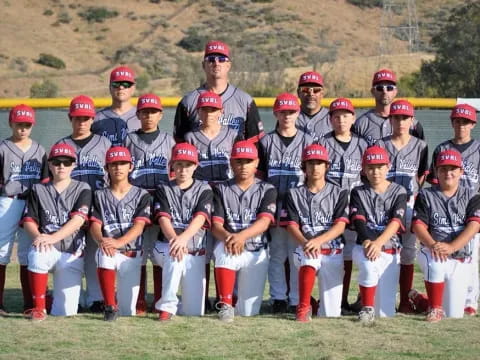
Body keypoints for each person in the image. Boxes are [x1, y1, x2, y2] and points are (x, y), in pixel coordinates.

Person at [258, 93, 314, 313]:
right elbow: (260, 176)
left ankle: (295, 299)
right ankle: (278, 297)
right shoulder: (266, 141)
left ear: (298, 113)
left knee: (296, 255)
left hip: (299, 208)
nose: (287, 116)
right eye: (283, 112)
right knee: (277, 253)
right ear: (276, 113)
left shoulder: (309, 141)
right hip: (273, 204)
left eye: (291, 112)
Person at [23, 144, 91, 321]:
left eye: (67, 162)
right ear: (50, 165)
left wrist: (52, 238)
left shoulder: (83, 188)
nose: (61, 166)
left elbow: (79, 220)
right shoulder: (38, 189)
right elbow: (29, 220)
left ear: (73, 165)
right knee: (37, 253)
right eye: (57, 162)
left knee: (66, 310)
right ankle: (38, 308)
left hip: (72, 252)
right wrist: (39, 238)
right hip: (47, 248)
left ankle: (50, 297)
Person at [56, 95, 111, 313]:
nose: (82, 122)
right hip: (69, 207)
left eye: (86, 118)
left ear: (93, 118)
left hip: (98, 204)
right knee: (73, 253)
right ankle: (75, 297)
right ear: (71, 118)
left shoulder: (104, 144)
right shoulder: (62, 145)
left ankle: (97, 297)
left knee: (95, 252)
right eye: (78, 118)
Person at [184, 91, 238, 311]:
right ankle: (203, 297)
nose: (209, 113)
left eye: (213, 109)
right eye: (204, 109)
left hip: (226, 198)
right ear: (198, 111)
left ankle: (225, 296)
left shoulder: (233, 135)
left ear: (221, 111)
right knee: (201, 250)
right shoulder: (190, 137)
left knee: (225, 248)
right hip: (198, 198)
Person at [212, 140, 277, 322]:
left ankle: (237, 303)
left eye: (248, 161)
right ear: (231, 163)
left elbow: (264, 222)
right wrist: (229, 239)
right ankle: (225, 304)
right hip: (231, 246)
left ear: (256, 163)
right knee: (223, 252)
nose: (243, 166)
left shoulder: (267, 188)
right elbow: (216, 226)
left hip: (256, 250)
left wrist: (240, 237)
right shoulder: (221, 188)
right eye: (238, 161)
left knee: (248, 312)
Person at [425, 103, 480, 316]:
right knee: (444, 257)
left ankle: (470, 301)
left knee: (471, 255)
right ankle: (445, 298)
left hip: (470, 207)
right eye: (457, 121)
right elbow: (433, 180)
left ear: (473, 124)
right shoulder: (442, 149)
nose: (461, 125)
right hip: (446, 208)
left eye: (465, 122)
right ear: (452, 123)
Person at [412, 149, 480, 322]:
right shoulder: (426, 194)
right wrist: (432, 244)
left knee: (454, 314)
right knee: (434, 262)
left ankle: (421, 301)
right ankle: (434, 308)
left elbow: (475, 225)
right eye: (443, 169)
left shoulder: (472, 195)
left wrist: (452, 247)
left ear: (461, 172)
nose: (448, 173)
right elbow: (418, 225)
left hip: (459, 256)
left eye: (452, 169)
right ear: (437, 171)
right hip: (433, 250)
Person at [283, 144, 349, 322]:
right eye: (310, 163)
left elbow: (340, 225)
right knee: (309, 256)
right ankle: (303, 308)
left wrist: (319, 241)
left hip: (332, 251)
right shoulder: (293, 193)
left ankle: (314, 303)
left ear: (327, 166)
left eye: (319, 163)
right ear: (304, 167)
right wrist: (306, 242)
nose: (315, 167)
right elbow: (291, 225)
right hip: (304, 248)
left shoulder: (339, 192)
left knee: (331, 314)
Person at [123, 93, 175, 315]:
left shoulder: (169, 140)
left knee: (160, 251)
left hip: (162, 198)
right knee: (140, 250)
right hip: (137, 199)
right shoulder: (128, 139)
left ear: (160, 114)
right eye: (145, 112)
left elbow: (175, 173)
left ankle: (161, 298)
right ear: (138, 114)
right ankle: (140, 299)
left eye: (153, 111)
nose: (149, 116)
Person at [376, 99, 428, 313]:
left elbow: (423, 175)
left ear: (412, 120)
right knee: (384, 250)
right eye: (396, 117)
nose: (400, 121)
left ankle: (406, 300)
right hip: (383, 205)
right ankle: (381, 296)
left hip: (409, 204)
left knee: (408, 252)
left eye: (405, 117)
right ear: (390, 119)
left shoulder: (421, 146)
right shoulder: (380, 144)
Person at [152, 143, 213, 320]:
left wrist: (183, 239)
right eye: (179, 164)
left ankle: (174, 305)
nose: (183, 170)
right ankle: (167, 307)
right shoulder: (163, 188)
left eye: (187, 165)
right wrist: (175, 240)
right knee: (174, 256)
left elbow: (200, 218)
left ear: (195, 166)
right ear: (172, 165)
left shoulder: (204, 189)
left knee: (194, 311)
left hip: (194, 250)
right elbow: (163, 219)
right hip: (165, 246)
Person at [90, 147, 151, 321]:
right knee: (103, 253)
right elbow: (95, 224)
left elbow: (139, 226)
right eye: (114, 164)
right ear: (107, 168)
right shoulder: (99, 195)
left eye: (123, 163)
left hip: (132, 254)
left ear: (130, 166)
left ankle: (119, 307)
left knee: (127, 310)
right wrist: (102, 240)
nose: (118, 167)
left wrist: (119, 242)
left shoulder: (142, 194)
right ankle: (109, 306)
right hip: (110, 250)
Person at [318, 98, 368, 314]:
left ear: (353, 118)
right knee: (335, 255)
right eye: (336, 116)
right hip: (328, 208)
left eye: (346, 115)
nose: (341, 120)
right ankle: (334, 300)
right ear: (330, 119)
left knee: (353, 253)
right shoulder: (321, 143)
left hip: (355, 206)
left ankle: (356, 299)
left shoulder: (364, 144)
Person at [350, 146, 408, 324]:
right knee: (368, 266)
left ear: (388, 167)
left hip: (389, 249)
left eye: (380, 166)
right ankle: (366, 307)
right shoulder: (358, 191)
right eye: (371, 167)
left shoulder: (399, 191)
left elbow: (396, 221)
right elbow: (358, 220)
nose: (375, 171)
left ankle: (415, 297)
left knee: (386, 312)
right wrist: (370, 242)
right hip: (364, 246)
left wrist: (379, 243)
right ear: (364, 169)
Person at [0, 104, 48, 314]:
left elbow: (45, 179)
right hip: (8, 201)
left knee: (29, 252)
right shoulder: (2, 147)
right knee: (1, 251)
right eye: (19, 124)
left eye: (27, 125)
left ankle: (30, 302)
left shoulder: (39, 149)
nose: (22, 128)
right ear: (10, 123)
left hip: (32, 202)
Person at [174, 40, 264, 143]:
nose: (216, 63)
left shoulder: (245, 101)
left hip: (235, 158)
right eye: (211, 59)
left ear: (228, 65)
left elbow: (255, 142)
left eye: (221, 59)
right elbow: (179, 143)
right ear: (204, 65)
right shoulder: (188, 102)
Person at [353, 69, 424, 146]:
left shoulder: (412, 124)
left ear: (395, 91)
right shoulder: (361, 124)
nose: (385, 91)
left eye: (389, 88)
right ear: (373, 91)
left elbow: (420, 153)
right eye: (380, 88)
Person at [92, 66, 140, 146]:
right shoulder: (96, 118)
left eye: (126, 84)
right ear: (110, 88)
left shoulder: (143, 117)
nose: (121, 87)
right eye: (116, 84)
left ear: (133, 88)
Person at [296, 71, 331, 142]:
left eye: (316, 90)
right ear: (298, 93)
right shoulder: (288, 117)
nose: (311, 94)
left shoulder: (333, 118)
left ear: (322, 93)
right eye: (305, 90)